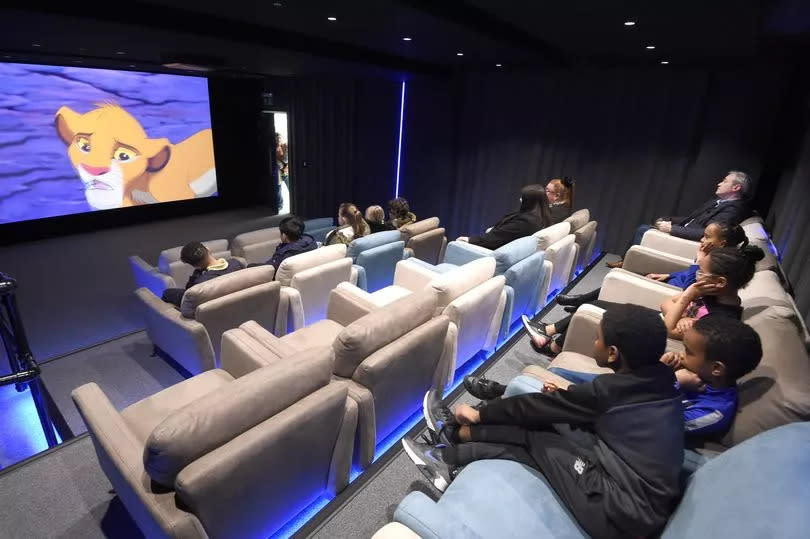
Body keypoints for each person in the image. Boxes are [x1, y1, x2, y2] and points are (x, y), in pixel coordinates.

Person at [405, 304, 683, 539]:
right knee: (545, 425)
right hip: (621, 481)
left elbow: (536, 408)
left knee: (536, 435)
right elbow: (577, 407)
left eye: (597, 338)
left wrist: (480, 414)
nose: (593, 343)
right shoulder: (659, 377)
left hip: (619, 512)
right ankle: (454, 441)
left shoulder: (613, 391)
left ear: (613, 353)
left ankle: (448, 453)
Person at [465, 317, 762, 444]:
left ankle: (492, 408)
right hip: (622, 404)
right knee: (575, 378)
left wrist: (673, 383)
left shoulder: (713, 411)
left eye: (688, 352)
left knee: (542, 396)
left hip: (616, 428)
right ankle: (504, 392)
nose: (681, 356)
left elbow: (658, 425)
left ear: (718, 369)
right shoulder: (697, 376)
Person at [524, 244, 764, 356]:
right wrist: (678, 309)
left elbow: (670, 326)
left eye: (701, 272)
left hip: (654, 333)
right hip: (659, 319)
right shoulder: (711, 295)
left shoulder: (719, 319)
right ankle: (549, 329)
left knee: (598, 312)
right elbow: (666, 304)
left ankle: (553, 347)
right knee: (595, 305)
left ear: (720, 282)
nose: (696, 277)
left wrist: (688, 295)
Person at [557, 222, 748, 308]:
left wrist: (698, 260)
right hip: (670, 282)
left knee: (626, 277)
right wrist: (668, 275)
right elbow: (688, 274)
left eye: (707, 236)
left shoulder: (715, 263)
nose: (701, 238)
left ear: (722, 243)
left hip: (671, 292)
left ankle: (581, 300)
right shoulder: (712, 255)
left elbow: (690, 285)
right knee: (634, 272)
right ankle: (583, 300)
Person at [608, 171, 753, 268]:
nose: (719, 184)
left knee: (643, 230)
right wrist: (669, 220)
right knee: (651, 224)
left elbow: (707, 234)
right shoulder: (717, 201)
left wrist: (672, 229)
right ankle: (626, 260)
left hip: (690, 240)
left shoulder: (733, 209)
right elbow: (692, 218)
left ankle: (626, 264)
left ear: (736, 187)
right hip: (684, 230)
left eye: (724, 181)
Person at [457, 184, 553, 250]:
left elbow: (496, 238)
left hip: (490, 251)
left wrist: (469, 240)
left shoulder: (526, 222)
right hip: (497, 244)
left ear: (530, 201)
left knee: (457, 243)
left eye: (523, 198)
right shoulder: (542, 217)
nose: (520, 199)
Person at [161, 242, 245, 308]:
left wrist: (196, 274)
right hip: (239, 303)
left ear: (194, 265)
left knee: (167, 293)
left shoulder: (201, 283)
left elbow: (188, 294)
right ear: (208, 249)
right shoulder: (236, 263)